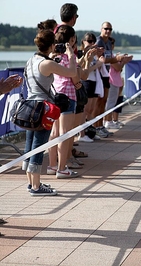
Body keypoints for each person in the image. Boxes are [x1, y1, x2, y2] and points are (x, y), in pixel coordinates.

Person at [23, 29, 77, 195]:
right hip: (42, 109)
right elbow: (72, 73)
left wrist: (51, 58)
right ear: (52, 45)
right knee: (39, 146)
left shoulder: (32, 60)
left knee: (30, 146)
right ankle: (37, 187)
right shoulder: (47, 64)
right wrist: (71, 55)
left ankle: (32, 183)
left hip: (30, 106)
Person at [47, 25, 80, 178]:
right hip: (68, 96)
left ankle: (52, 165)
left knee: (54, 133)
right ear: (71, 40)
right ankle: (62, 168)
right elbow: (75, 77)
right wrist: (73, 56)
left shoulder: (53, 57)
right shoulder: (69, 58)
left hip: (54, 95)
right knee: (65, 133)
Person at [94, 21, 127, 138]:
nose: (108, 31)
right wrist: (116, 59)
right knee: (99, 103)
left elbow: (109, 59)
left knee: (103, 102)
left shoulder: (108, 43)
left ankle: (101, 126)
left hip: (106, 74)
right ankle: (96, 127)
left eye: (110, 29)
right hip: (98, 74)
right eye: (105, 29)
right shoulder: (99, 42)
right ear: (101, 29)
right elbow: (101, 59)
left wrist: (119, 59)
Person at [103, 37, 132, 129]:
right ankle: (108, 121)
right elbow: (118, 68)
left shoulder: (112, 55)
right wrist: (123, 61)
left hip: (115, 80)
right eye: (110, 44)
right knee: (110, 103)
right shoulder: (109, 56)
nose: (111, 46)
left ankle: (109, 120)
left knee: (112, 102)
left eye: (112, 44)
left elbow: (119, 69)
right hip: (112, 81)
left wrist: (121, 60)